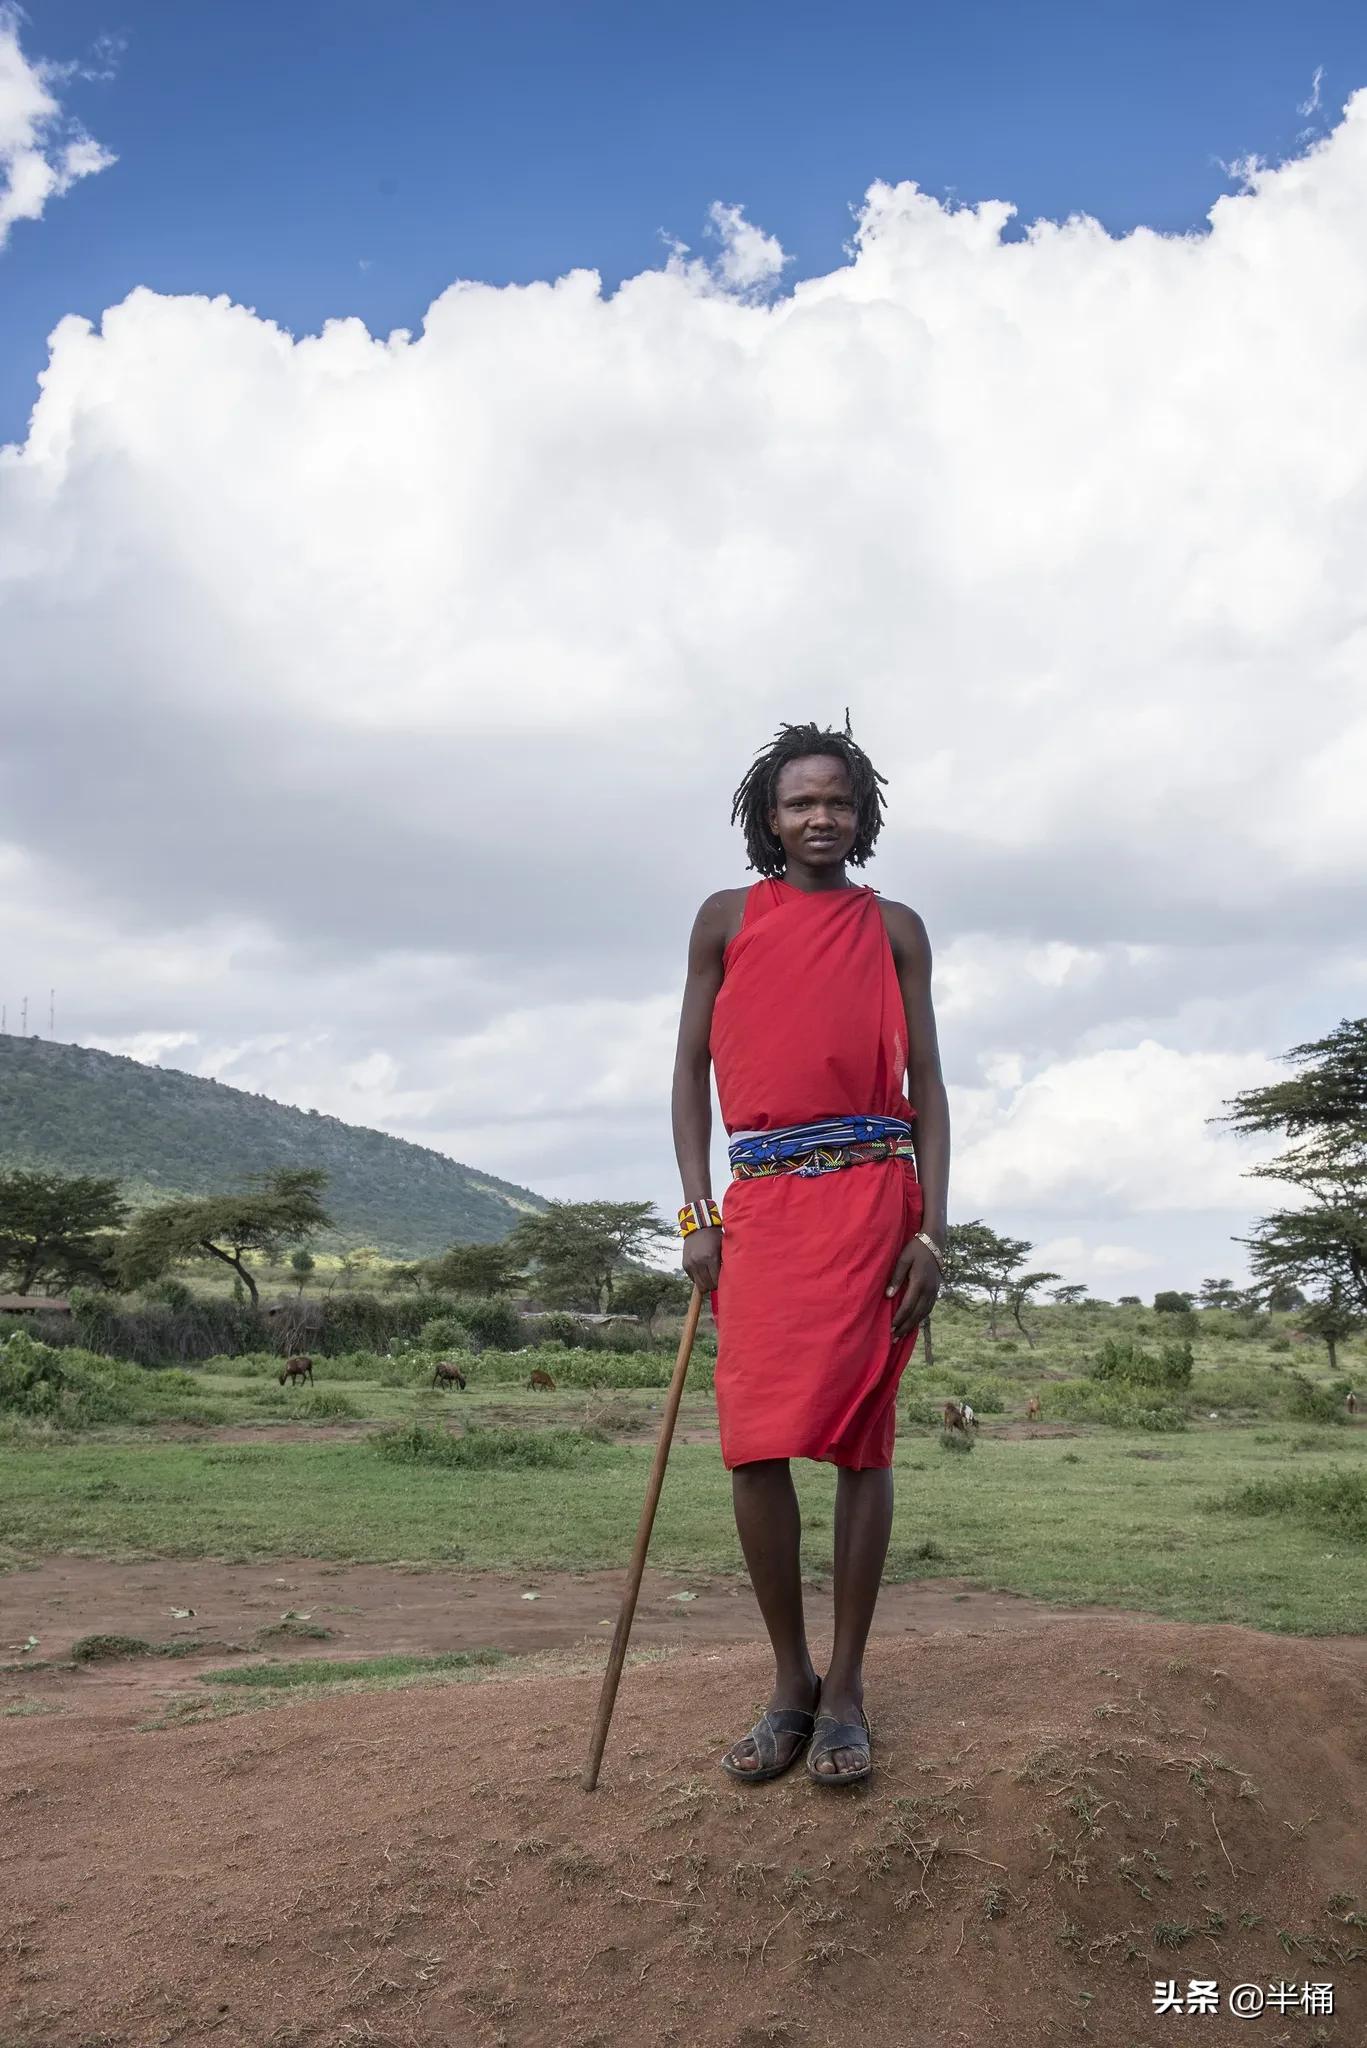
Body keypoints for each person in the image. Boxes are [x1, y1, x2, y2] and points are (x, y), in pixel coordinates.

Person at [671, 714, 949, 1787]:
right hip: (763, 1211)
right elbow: (687, 1073)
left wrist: (930, 1228)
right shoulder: (724, 919)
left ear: (860, 811)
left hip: (877, 1203)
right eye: (800, 802)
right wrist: (699, 1218)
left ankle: (846, 1688)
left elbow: (927, 1085)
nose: (819, 816)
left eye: (836, 799)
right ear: (768, 817)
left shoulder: (896, 930)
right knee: (753, 1440)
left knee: (862, 1441)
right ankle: (787, 1680)